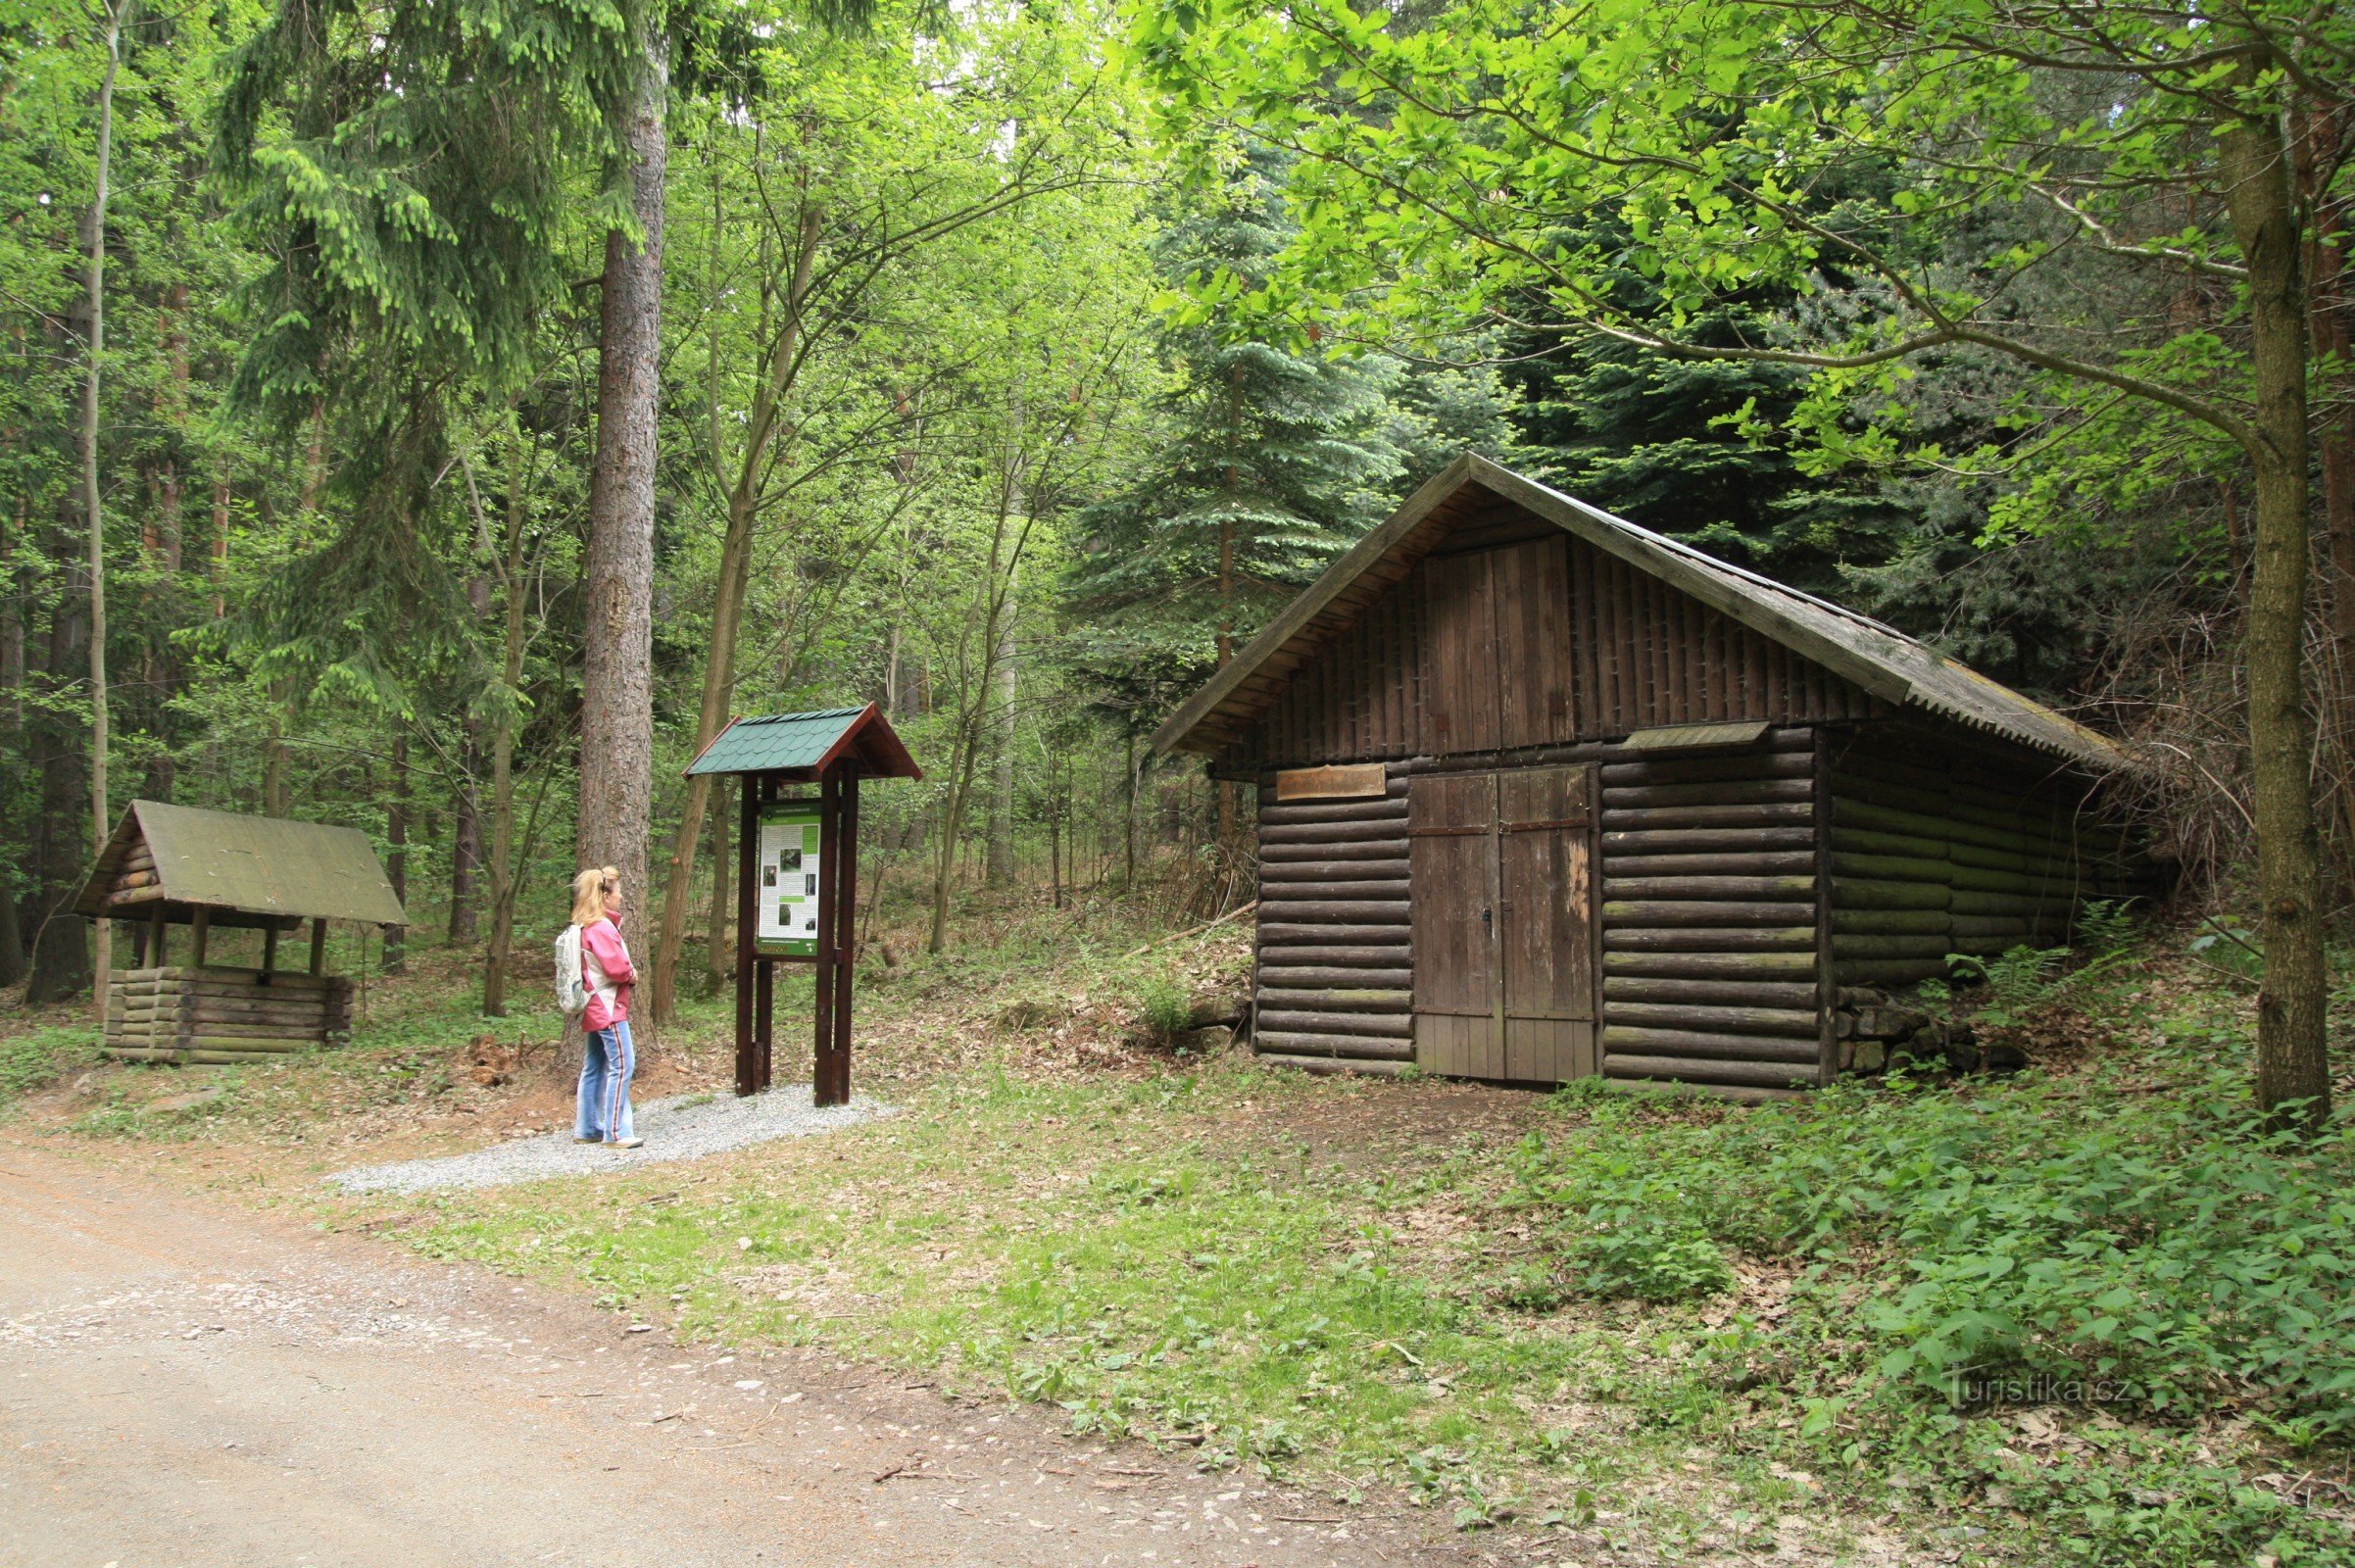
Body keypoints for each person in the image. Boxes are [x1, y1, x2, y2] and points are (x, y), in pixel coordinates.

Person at [571, 865, 643, 1150]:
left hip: (595, 1005)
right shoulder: (601, 928)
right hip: (608, 1007)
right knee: (623, 1064)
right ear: (604, 895)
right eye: (618, 892)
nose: (621, 897)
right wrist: (632, 974)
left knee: (595, 1065)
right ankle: (615, 1131)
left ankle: (587, 1126)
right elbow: (616, 968)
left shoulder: (587, 925)